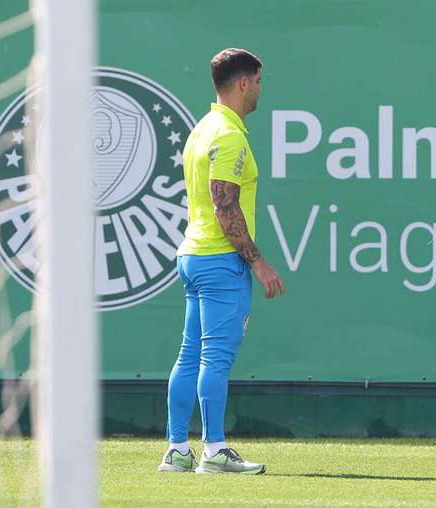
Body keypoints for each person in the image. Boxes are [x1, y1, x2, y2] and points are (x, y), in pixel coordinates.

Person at [158, 48, 284, 474]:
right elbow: (224, 204)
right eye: (260, 81)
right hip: (219, 260)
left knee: (189, 355)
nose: (261, 90)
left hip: (192, 255)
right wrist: (258, 262)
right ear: (244, 83)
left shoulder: (202, 128)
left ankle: (177, 450)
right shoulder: (229, 135)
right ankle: (213, 450)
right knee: (215, 359)